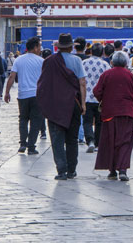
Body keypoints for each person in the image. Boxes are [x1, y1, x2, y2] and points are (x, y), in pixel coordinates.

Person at [37, 33, 87, 180]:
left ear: (58, 47)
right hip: (73, 104)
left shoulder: (49, 61)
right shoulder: (77, 60)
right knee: (72, 139)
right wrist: (83, 104)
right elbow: (82, 83)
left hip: (55, 106)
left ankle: (61, 170)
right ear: (71, 47)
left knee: (57, 139)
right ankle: (72, 170)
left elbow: (43, 85)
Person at [93, 51, 133, 181]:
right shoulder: (129, 75)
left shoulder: (106, 74)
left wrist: (104, 100)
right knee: (125, 142)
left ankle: (112, 171)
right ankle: (122, 170)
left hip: (110, 113)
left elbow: (97, 91)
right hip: (127, 113)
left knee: (111, 141)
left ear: (112, 62)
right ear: (126, 63)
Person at [4, 36, 44, 154]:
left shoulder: (19, 60)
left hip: (23, 95)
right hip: (37, 95)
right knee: (35, 121)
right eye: (39, 46)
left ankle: (22, 143)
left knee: (23, 119)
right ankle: (31, 147)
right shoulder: (41, 61)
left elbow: (12, 76)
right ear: (35, 47)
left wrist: (7, 92)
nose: (40, 48)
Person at [81, 43, 109, 153]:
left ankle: (90, 141)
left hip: (86, 98)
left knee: (87, 122)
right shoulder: (105, 65)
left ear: (91, 51)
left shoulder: (83, 63)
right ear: (102, 52)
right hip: (100, 99)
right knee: (99, 122)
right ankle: (97, 144)